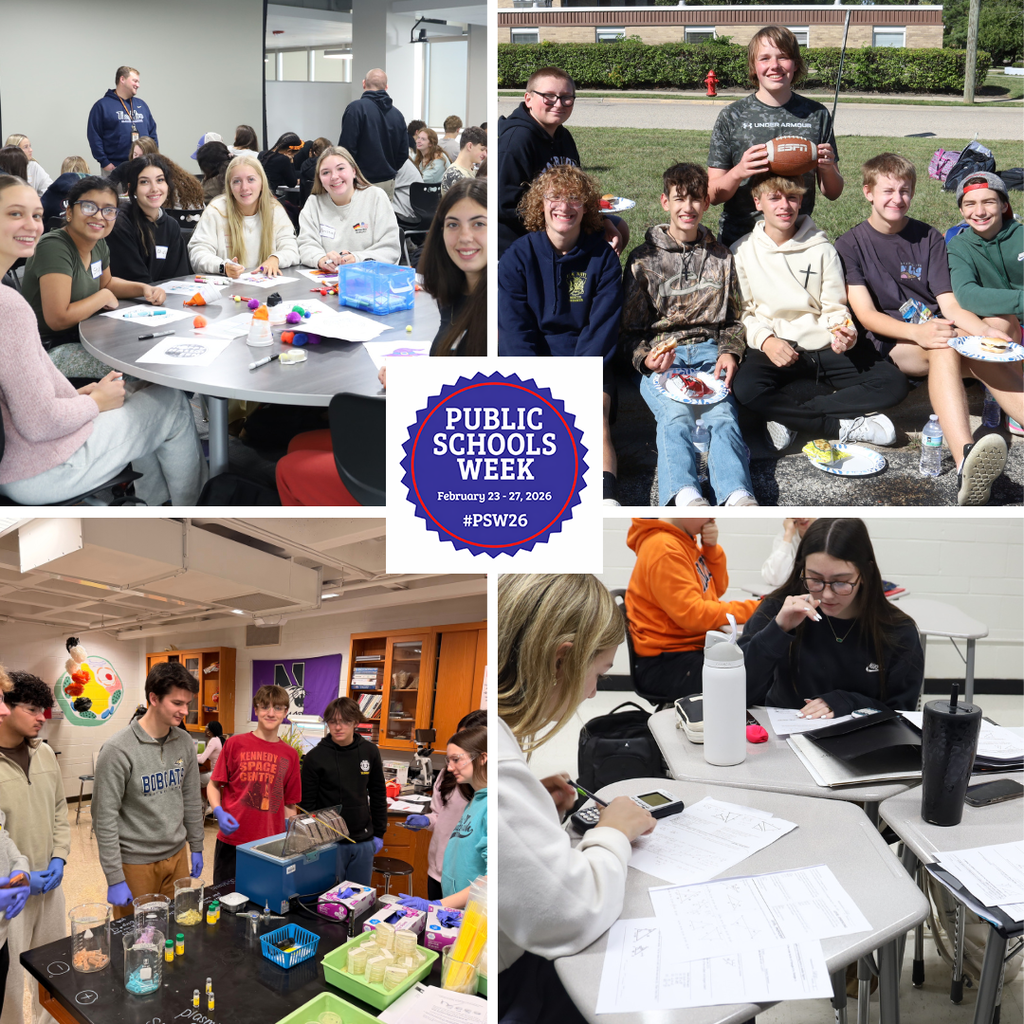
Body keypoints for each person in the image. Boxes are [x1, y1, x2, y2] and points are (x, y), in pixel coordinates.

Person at [497, 574, 656, 1024]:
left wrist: (534, 813)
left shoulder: (508, 760)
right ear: (560, 660)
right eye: (598, 673)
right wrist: (612, 832)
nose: (591, 692)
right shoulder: (505, 770)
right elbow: (572, 913)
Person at [0, 181, 205, 505]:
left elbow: (20, 394)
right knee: (172, 402)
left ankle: (156, 503)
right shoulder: (10, 305)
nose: (31, 224)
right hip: (40, 466)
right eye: (15, 213)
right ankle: (195, 515)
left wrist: (80, 395)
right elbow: (40, 422)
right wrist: (94, 403)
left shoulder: (96, 246)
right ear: (68, 210)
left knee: (135, 390)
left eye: (36, 215)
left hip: (23, 455)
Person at [835, 153, 1021, 505]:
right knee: (945, 346)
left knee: (982, 346)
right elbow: (866, 314)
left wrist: (983, 332)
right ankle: (967, 458)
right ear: (868, 193)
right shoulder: (850, 245)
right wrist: (919, 333)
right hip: (895, 342)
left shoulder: (929, 237)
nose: (897, 199)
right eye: (888, 190)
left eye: (905, 191)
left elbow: (949, 303)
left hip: (940, 330)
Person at [730, 174, 909, 451]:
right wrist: (766, 340)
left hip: (824, 345)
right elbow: (744, 313)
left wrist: (844, 331)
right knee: (746, 389)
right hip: (777, 345)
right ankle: (842, 427)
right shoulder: (742, 251)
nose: (784, 206)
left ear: (801, 200)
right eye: (774, 198)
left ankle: (791, 417)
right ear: (758, 202)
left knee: (893, 383)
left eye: (792, 197)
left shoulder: (822, 249)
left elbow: (835, 307)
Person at [621, 162, 757, 508]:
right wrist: (645, 359)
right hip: (665, 356)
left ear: (706, 204)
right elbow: (630, 331)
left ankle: (737, 493)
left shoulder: (721, 257)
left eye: (696, 200)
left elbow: (734, 319)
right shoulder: (643, 260)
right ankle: (684, 493)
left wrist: (730, 351)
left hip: (710, 351)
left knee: (722, 414)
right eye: (679, 199)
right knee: (675, 415)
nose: (688, 208)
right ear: (664, 202)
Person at [498, 164, 623, 503]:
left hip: (587, 361)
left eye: (574, 199)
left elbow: (602, 329)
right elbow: (514, 331)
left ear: (587, 208)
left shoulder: (603, 260)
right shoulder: (518, 257)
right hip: (532, 364)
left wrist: (574, 380)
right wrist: (538, 383)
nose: (564, 206)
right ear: (541, 204)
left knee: (592, 414)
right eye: (554, 197)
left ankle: (605, 498)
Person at [740, 518, 924, 717]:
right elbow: (736, 692)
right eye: (815, 579)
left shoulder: (898, 632)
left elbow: (902, 715)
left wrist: (850, 702)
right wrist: (777, 630)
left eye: (841, 582)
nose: (827, 595)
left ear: (865, 573)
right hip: (782, 740)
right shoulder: (779, 608)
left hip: (862, 743)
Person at [20, 175, 171, 380]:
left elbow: (106, 283)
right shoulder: (54, 247)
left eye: (109, 210)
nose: (99, 216)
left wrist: (143, 289)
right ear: (70, 212)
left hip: (84, 337)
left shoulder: (98, 243)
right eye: (89, 207)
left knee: (154, 355)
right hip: (48, 350)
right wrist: (103, 296)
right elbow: (57, 319)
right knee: (137, 368)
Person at [707, 26, 842, 249]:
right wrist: (739, 171)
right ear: (754, 66)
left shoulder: (816, 114)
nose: (774, 66)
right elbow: (713, 195)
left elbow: (833, 192)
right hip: (741, 239)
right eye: (765, 58)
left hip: (797, 238)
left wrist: (827, 168)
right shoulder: (732, 116)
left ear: (796, 64)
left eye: (783, 57)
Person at [92, 662, 204, 920]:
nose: (184, 711)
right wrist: (114, 876)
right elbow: (104, 818)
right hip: (136, 862)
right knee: (137, 937)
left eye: (188, 703)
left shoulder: (185, 741)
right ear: (154, 698)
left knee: (177, 926)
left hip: (177, 856)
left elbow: (190, 797)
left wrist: (196, 844)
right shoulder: (118, 750)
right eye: (177, 703)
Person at [625, 518, 761, 702]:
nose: (712, 518)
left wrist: (711, 549)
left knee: (753, 664)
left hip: (683, 651)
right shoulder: (665, 548)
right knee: (752, 679)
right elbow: (693, 614)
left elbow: (716, 589)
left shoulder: (684, 541)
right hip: (666, 662)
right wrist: (758, 608)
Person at [497, 65, 627, 258]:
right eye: (549, 96)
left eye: (566, 97)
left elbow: (579, 189)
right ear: (529, 99)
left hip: (562, 217)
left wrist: (602, 220)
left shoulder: (563, 136)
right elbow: (504, 205)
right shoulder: (516, 141)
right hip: (522, 235)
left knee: (618, 227)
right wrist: (557, 224)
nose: (558, 104)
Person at [0, 672, 69, 1024]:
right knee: (11, 985)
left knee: (55, 970)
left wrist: (60, 857)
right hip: (9, 896)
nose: (42, 717)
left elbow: (60, 808)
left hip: (51, 884)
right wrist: (20, 879)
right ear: (6, 709)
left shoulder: (45, 754)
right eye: (32, 709)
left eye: (44, 709)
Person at [207, 685, 301, 885]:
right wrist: (218, 811)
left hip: (269, 844)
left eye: (277, 708)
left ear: (285, 713)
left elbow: (290, 804)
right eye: (265, 706)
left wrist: (290, 839)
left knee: (262, 904)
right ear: (255, 710)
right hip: (232, 840)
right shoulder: (234, 744)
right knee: (224, 901)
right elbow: (213, 785)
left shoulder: (290, 755)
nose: (270, 713)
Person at [398, 724, 486, 913]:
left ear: (483, 757)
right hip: (451, 888)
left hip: (471, 906)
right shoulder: (478, 800)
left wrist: (438, 906)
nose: (449, 767)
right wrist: (427, 820)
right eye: (449, 760)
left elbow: (494, 877)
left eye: (456, 759)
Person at [300, 697, 386, 885]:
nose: (338, 727)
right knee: (328, 900)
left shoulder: (370, 751)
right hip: (329, 843)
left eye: (345, 721)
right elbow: (308, 806)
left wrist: (379, 833)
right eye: (333, 721)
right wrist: (314, 841)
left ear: (355, 722)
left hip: (363, 840)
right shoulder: (314, 758)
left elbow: (378, 794)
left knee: (358, 899)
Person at [188, 156, 299, 278]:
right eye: (237, 181)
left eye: (251, 179)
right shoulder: (216, 211)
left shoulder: (275, 210)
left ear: (262, 183)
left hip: (266, 287)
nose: (244, 187)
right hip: (227, 290)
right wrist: (222, 267)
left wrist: (276, 258)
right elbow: (198, 253)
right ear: (229, 187)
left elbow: (292, 249)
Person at [946, 172, 1023, 344]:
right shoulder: (958, 246)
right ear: (961, 210)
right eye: (970, 204)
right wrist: (1021, 300)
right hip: (1004, 326)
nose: (979, 212)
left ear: (1004, 205)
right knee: (997, 321)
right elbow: (966, 295)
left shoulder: (1021, 236)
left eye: (988, 202)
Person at [296, 146, 400, 270]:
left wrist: (357, 258)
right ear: (319, 179)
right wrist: (321, 259)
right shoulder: (314, 203)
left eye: (340, 168)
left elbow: (390, 249)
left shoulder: (376, 197)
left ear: (354, 171)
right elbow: (306, 245)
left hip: (370, 279)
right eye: (325, 172)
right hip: (326, 281)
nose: (334, 176)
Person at [419, 177, 486, 355]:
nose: (465, 237)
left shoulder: (504, 303)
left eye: (478, 224)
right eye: (453, 224)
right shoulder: (454, 292)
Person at [107, 156, 191, 284]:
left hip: (166, 299)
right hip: (130, 300)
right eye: (144, 182)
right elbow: (133, 279)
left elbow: (179, 277)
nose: (154, 188)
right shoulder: (120, 224)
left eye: (160, 180)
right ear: (132, 188)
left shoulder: (171, 226)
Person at [338, 69, 407, 199]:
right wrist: (389, 168)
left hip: (361, 181)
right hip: (388, 182)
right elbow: (403, 153)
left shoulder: (356, 109)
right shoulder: (397, 115)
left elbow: (346, 149)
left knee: (359, 219)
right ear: (386, 87)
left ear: (364, 84)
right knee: (382, 219)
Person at [87, 66, 158, 173]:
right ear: (122, 79)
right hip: (115, 167)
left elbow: (152, 132)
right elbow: (94, 136)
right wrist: (105, 162)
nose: (138, 85)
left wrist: (154, 157)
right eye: (135, 81)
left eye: (138, 82)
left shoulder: (141, 105)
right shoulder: (102, 106)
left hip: (144, 166)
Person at [761, 517, 816, 588]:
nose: (802, 517)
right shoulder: (785, 536)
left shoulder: (828, 531)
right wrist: (788, 534)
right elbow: (775, 579)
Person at [440, 127, 487, 195]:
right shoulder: (454, 174)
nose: (485, 154)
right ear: (470, 146)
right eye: (482, 149)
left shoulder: (473, 170)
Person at [298, 137, 332, 204]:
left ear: (314, 152)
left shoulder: (304, 164)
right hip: (327, 204)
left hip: (307, 204)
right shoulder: (329, 165)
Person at [196, 720, 223, 794]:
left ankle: (200, 803)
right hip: (219, 774)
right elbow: (203, 755)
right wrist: (194, 755)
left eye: (206, 728)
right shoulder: (217, 740)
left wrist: (190, 757)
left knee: (191, 782)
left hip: (215, 775)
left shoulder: (213, 740)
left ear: (209, 731)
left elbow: (201, 760)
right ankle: (203, 803)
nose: (205, 730)